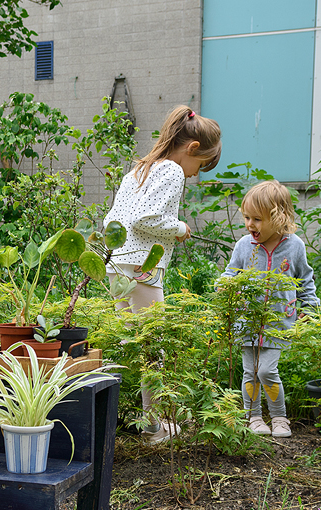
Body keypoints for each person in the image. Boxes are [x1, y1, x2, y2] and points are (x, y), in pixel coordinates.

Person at [103, 105, 221, 443]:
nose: (196, 174)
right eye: (201, 165)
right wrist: (180, 227)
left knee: (127, 342)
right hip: (143, 265)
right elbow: (146, 219)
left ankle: (119, 418)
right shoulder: (172, 170)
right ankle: (154, 427)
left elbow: (115, 218)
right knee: (154, 345)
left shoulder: (139, 169)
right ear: (192, 148)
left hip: (117, 263)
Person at [219, 180, 318, 439]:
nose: (250, 225)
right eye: (247, 218)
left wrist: (310, 308)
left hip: (278, 322)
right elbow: (231, 272)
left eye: (257, 219)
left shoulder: (294, 246)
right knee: (250, 372)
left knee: (266, 370)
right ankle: (253, 417)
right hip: (247, 321)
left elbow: (305, 280)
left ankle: (279, 417)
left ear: (278, 217)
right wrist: (225, 285)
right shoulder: (244, 245)